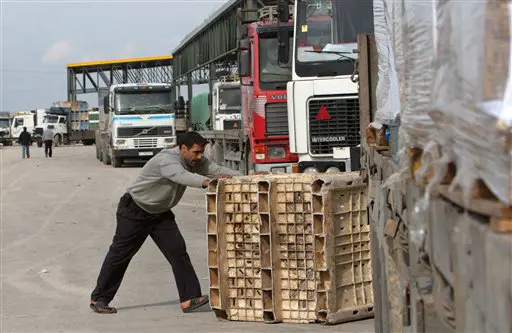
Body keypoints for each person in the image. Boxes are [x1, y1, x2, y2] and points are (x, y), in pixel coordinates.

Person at [89, 131, 242, 314]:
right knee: (120, 255)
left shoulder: (196, 160)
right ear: (183, 148)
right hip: (135, 209)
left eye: (201, 152)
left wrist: (246, 177)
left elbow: (217, 170)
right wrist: (208, 182)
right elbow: (182, 177)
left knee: (178, 251)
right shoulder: (168, 160)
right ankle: (99, 298)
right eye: (196, 152)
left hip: (160, 213)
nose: (200, 156)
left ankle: (189, 299)